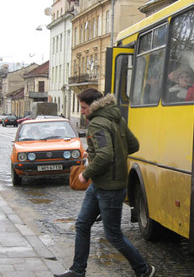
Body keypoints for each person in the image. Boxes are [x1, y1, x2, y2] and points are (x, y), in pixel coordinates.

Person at [54, 89, 155, 277]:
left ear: (93, 105)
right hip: (100, 185)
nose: (83, 111)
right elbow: (133, 145)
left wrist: (87, 173)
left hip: (109, 188)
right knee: (82, 224)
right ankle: (77, 270)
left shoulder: (97, 124)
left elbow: (105, 154)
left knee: (113, 234)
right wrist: (109, 155)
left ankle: (144, 269)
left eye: (84, 107)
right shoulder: (117, 118)